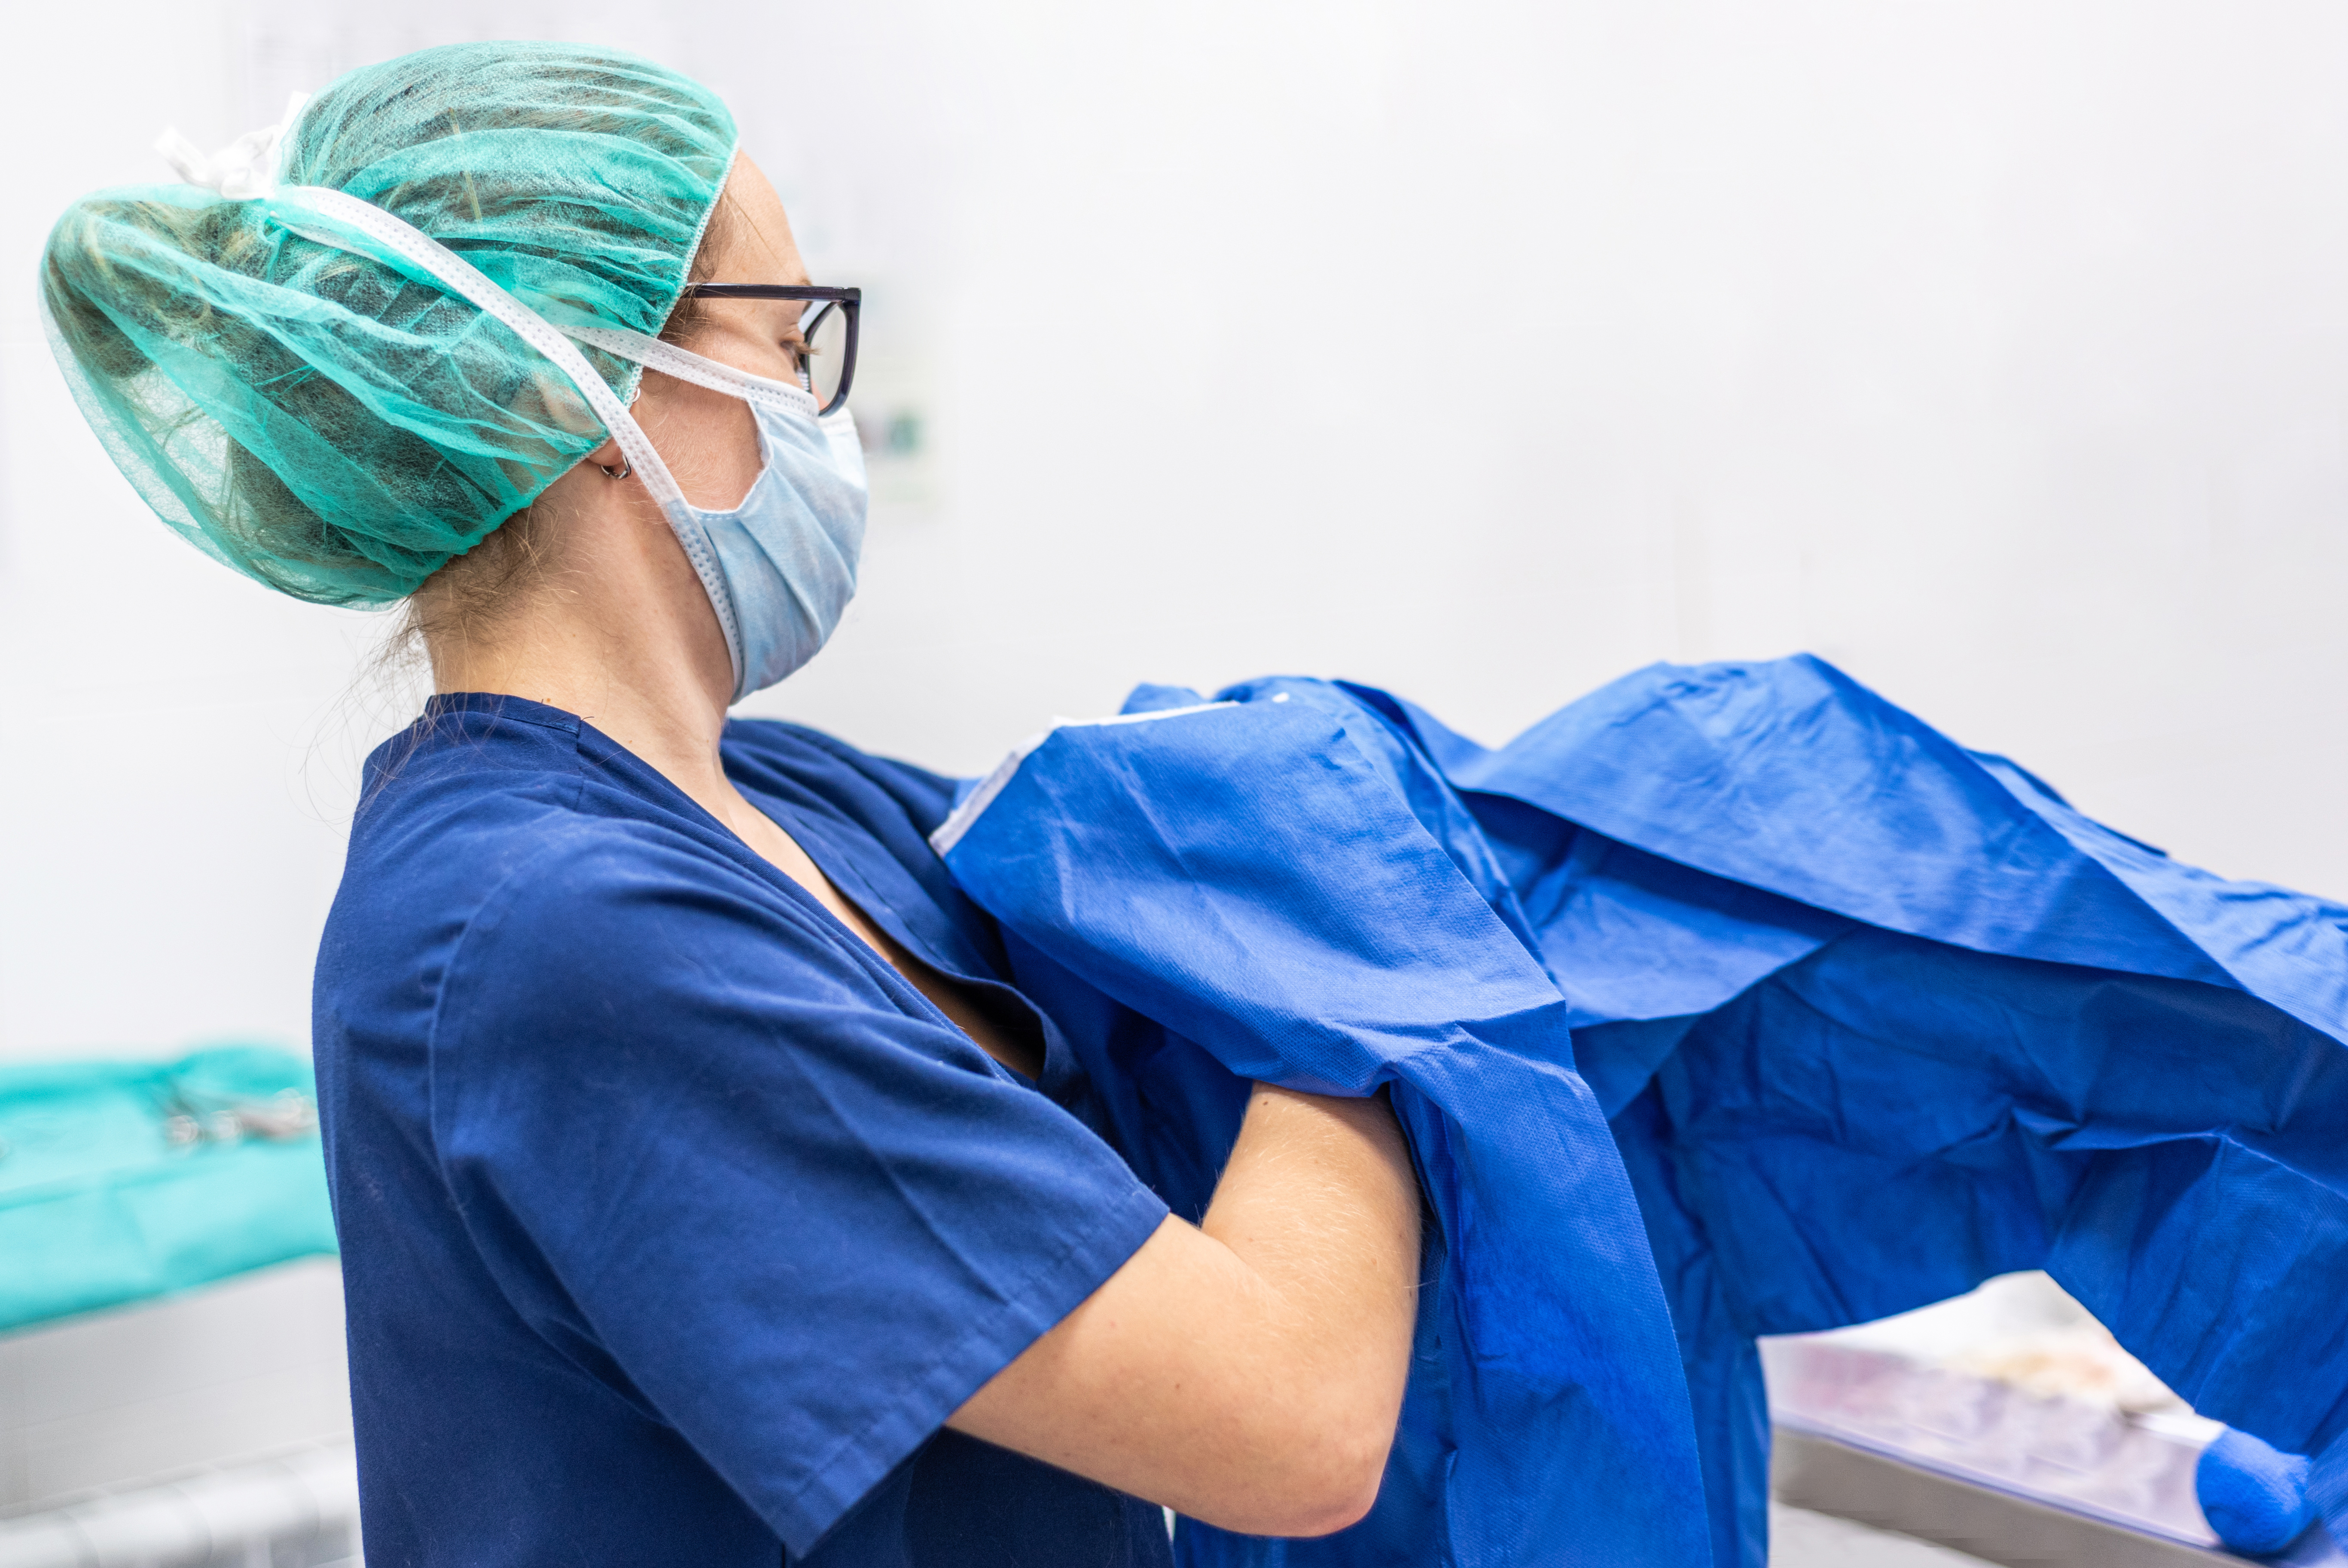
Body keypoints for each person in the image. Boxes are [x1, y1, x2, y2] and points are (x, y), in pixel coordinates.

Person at [43, 43, 1421, 1568]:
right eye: (788, 338)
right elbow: (1289, 1421)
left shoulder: (777, 799)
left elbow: (1142, 890)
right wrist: (1368, 948)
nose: (822, 410)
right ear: (565, 393)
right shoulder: (549, 938)